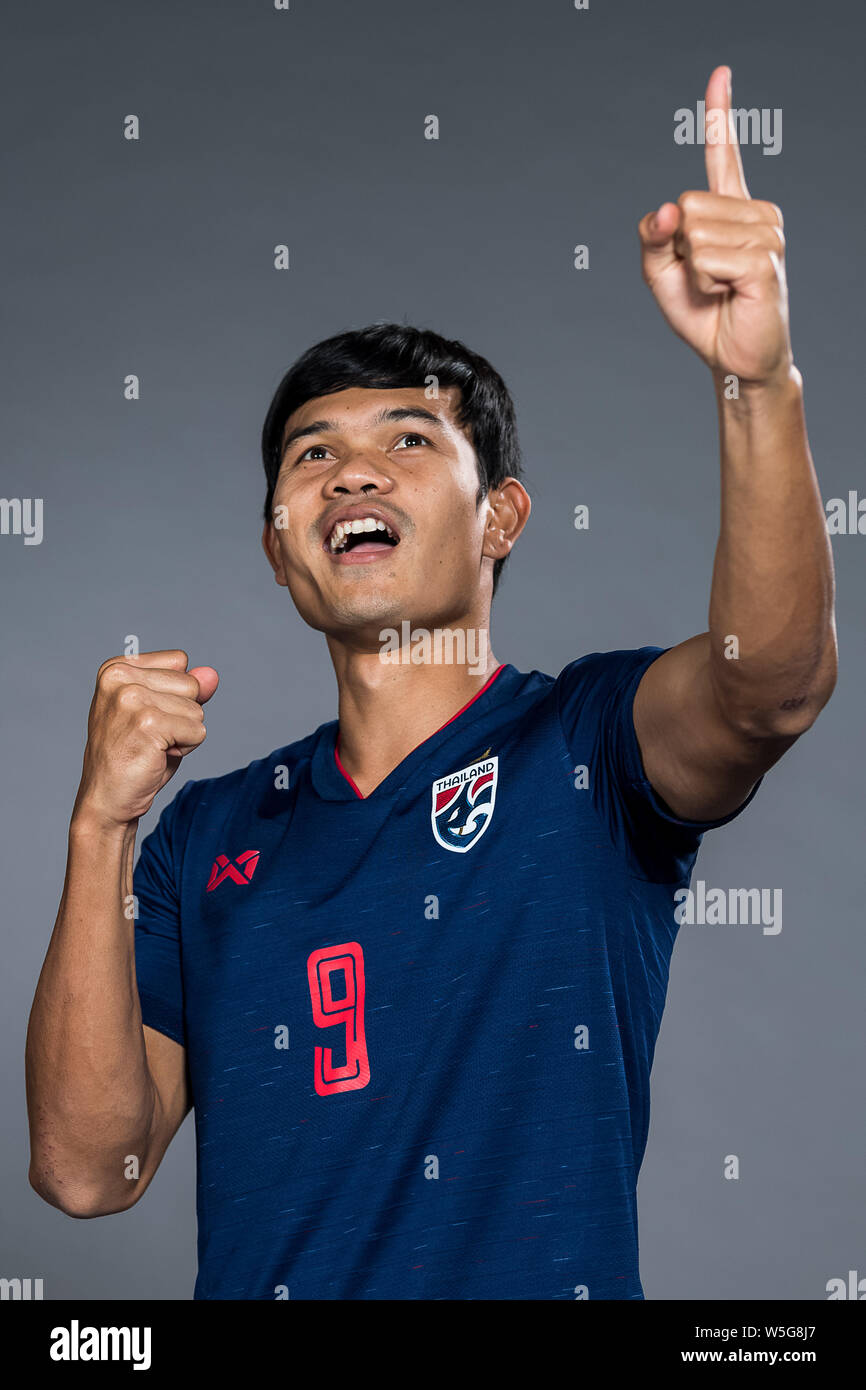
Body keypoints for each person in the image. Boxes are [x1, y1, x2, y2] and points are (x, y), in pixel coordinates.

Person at [26, 66, 836, 1299]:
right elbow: (90, 1170)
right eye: (313, 455)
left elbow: (766, 685)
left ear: (500, 514)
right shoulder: (206, 835)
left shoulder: (588, 746)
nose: (352, 474)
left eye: (408, 439)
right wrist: (99, 830)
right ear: (276, 542)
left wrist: (757, 382)